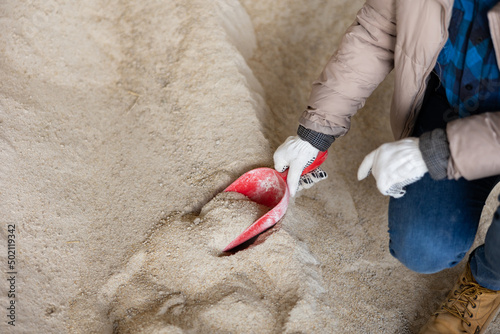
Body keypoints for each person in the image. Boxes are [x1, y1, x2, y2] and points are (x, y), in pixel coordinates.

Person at [273, 1, 500, 333]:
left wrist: (438, 151)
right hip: (455, 98)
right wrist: (316, 132)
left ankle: (488, 280)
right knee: (422, 245)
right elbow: (377, 30)